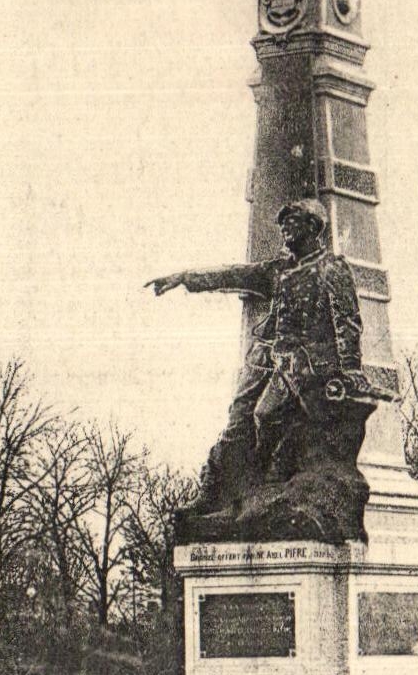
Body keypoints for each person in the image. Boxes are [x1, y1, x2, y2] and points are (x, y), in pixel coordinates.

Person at [146, 198, 376, 521]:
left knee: (266, 416)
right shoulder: (278, 269)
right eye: (283, 222)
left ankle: (268, 483)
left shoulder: (331, 270)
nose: (284, 228)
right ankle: (223, 492)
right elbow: (235, 275)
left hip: (303, 366)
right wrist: (186, 277)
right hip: (267, 358)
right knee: (239, 420)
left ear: (313, 226)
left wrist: (350, 368)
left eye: (291, 221)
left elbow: (347, 322)